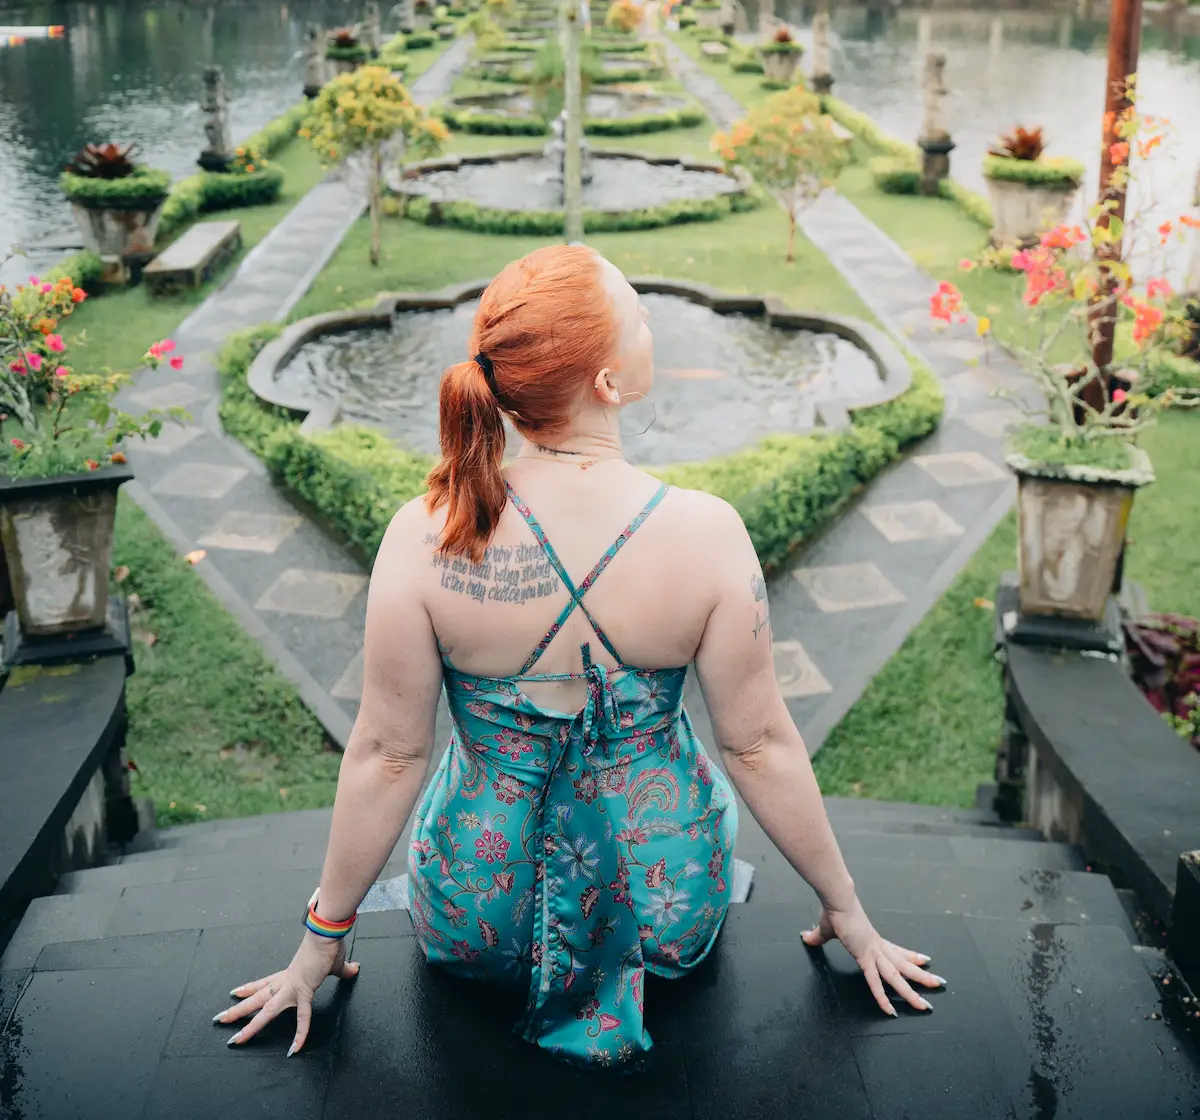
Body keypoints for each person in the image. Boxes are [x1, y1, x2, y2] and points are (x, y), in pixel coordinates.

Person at [217, 247, 943, 1067]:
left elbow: (388, 756)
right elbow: (756, 746)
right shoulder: (705, 534)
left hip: (479, 914)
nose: (648, 324)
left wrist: (322, 939)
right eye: (636, 312)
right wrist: (845, 908)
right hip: (661, 911)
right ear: (606, 381)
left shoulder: (427, 531)